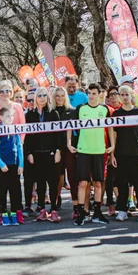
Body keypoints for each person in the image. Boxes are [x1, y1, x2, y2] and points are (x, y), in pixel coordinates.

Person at [110, 85, 138, 222]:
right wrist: (112, 154)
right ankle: (122, 210)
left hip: (137, 153)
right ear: (119, 96)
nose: (125, 97)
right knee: (122, 184)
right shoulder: (116, 114)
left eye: (127, 94)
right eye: (122, 94)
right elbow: (114, 135)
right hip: (121, 154)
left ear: (131, 95)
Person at [0, 80, 26, 215]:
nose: (5, 93)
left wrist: (19, 143)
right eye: (2, 91)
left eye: (8, 90)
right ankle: (1, 206)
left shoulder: (17, 107)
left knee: (14, 182)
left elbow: (22, 126)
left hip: (14, 147)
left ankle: (17, 209)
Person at [73, 84, 110, 226]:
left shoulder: (104, 109)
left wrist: (111, 145)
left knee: (98, 183)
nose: (91, 96)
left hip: (99, 150)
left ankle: (98, 212)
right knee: (83, 183)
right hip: (83, 150)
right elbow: (70, 126)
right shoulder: (81, 108)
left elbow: (111, 127)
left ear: (99, 94)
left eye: (94, 93)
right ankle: (82, 212)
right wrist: (71, 143)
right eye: (89, 93)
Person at [24, 87, 62, 223]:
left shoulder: (53, 114)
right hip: (36, 154)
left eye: (44, 95)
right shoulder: (29, 115)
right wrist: (29, 153)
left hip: (51, 153)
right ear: (35, 98)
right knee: (40, 184)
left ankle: (53, 209)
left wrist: (58, 150)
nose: (41, 98)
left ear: (48, 97)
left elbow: (59, 134)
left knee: (53, 182)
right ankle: (41, 209)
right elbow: (27, 136)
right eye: (39, 95)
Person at [0, 107, 24, 226]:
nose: (11, 119)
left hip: (14, 164)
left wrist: (21, 164)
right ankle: (4, 213)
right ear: (1, 117)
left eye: (12, 116)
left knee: (15, 189)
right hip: (2, 166)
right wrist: (1, 164)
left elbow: (19, 147)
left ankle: (14, 212)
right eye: (8, 116)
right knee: (2, 189)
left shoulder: (15, 130)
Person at [54, 86, 79, 218]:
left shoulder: (72, 111)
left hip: (70, 147)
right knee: (56, 176)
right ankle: (55, 201)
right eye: (57, 96)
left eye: (62, 95)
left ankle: (76, 206)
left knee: (72, 176)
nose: (59, 98)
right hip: (56, 148)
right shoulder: (51, 111)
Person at [104, 86, 121, 216]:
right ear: (108, 97)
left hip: (126, 146)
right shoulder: (107, 110)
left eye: (116, 94)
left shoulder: (125, 108)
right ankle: (110, 203)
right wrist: (110, 151)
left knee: (123, 177)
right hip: (110, 147)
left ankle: (124, 203)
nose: (114, 96)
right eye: (111, 94)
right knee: (110, 177)